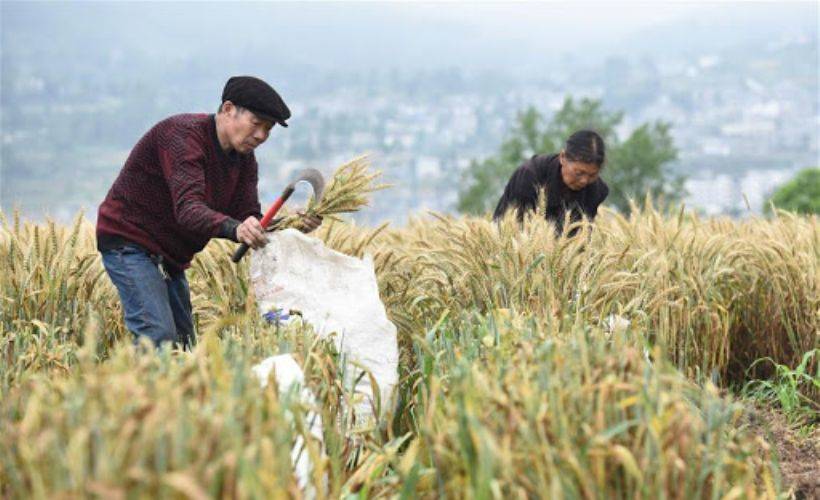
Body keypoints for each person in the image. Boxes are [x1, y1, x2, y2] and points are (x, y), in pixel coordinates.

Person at [96, 76, 321, 348]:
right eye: (256, 124)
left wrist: (291, 224)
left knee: (184, 346)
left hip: (170, 257)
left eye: (268, 129)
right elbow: (189, 210)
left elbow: (249, 218)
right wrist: (236, 229)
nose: (262, 136)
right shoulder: (182, 137)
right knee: (158, 338)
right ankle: (138, 391)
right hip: (129, 242)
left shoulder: (244, 160)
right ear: (228, 109)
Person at [493, 129, 609, 235]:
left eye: (593, 175)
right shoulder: (529, 175)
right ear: (563, 157)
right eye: (579, 173)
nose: (585, 181)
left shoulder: (597, 191)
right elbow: (516, 228)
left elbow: (581, 237)